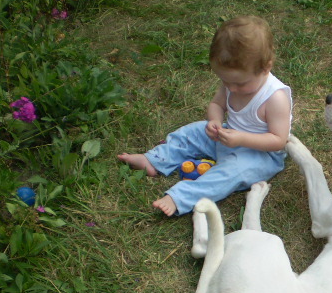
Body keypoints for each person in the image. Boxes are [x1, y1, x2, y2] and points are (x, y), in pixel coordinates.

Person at [118, 16, 292, 216]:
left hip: (261, 154)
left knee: (230, 173)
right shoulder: (231, 82)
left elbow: (278, 140)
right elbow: (216, 104)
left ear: (266, 67)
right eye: (225, 81)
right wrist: (215, 121)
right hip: (228, 136)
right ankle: (155, 160)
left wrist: (242, 139)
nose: (232, 88)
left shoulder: (275, 98)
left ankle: (180, 197)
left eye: (240, 84)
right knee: (191, 132)